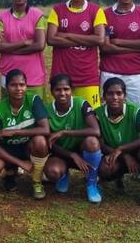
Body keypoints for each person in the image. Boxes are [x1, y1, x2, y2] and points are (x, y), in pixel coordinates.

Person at [0, 69, 50, 200]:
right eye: (13, 85)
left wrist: (16, 131)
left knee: (40, 141)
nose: (18, 88)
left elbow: (45, 129)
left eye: (22, 85)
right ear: (6, 87)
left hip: (27, 147)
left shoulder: (34, 100)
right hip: (8, 150)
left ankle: (37, 181)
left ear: (26, 86)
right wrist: (19, 163)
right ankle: (10, 172)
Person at [46, 0, 106, 108]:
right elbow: (51, 39)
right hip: (61, 76)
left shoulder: (96, 11)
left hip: (87, 76)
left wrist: (67, 35)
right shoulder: (57, 10)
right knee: (59, 117)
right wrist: (87, 39)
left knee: (91, 116)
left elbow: (100, 39)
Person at [96, 77, 140, 205]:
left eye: (119, 93)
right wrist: (123, 155)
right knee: (105, 169)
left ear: (124, 96)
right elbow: (100, 144)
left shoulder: (134, 111)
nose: (115, 97)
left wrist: (122, 149)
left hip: (136, 153)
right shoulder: (98, 114)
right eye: (110, 93)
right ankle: (118, 177)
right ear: (103, 96)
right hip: (113, 153)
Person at [44, 74, 103, 203]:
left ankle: (91, 183)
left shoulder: (81, 104)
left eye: (66, 89)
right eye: (58, 90)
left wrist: (64, 132)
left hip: (82, 151)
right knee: (53, 171)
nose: (62, 93)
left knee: (92, 141)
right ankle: (64, 174)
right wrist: (72, 155)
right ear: (52, 91)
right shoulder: (47, 110)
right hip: (62, 153)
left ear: (72, 90)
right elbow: (49, 143)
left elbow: (95, 130)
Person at [101, 0, 140, 112]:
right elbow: (105, 47)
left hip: (137, 74)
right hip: (110, 72)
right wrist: (136, 47)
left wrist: (118, 42)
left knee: (139, 113)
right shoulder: (104, 14)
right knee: (108, 113)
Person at [0, 0, 47, 101]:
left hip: (34, 77)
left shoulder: (37, 15)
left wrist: (8, 48)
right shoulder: (1, 17)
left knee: (36, 115)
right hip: (9, 75)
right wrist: (23, 43)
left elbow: (39, 45)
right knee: (10, 115)